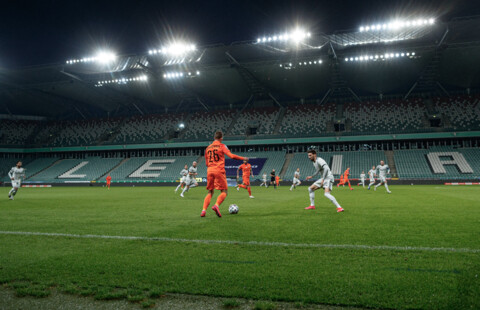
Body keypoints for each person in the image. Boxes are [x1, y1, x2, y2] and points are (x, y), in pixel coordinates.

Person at [201, 131, 246, 217]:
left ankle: (203, 211)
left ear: (214, 137)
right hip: (219, 170)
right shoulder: (222, 146)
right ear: (221, 138)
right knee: (224, 191)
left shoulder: (208, 148)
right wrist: (243, 158)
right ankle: (216, 205)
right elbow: (231, 156)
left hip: (209, 170)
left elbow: (207, 163)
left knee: (210, 191)